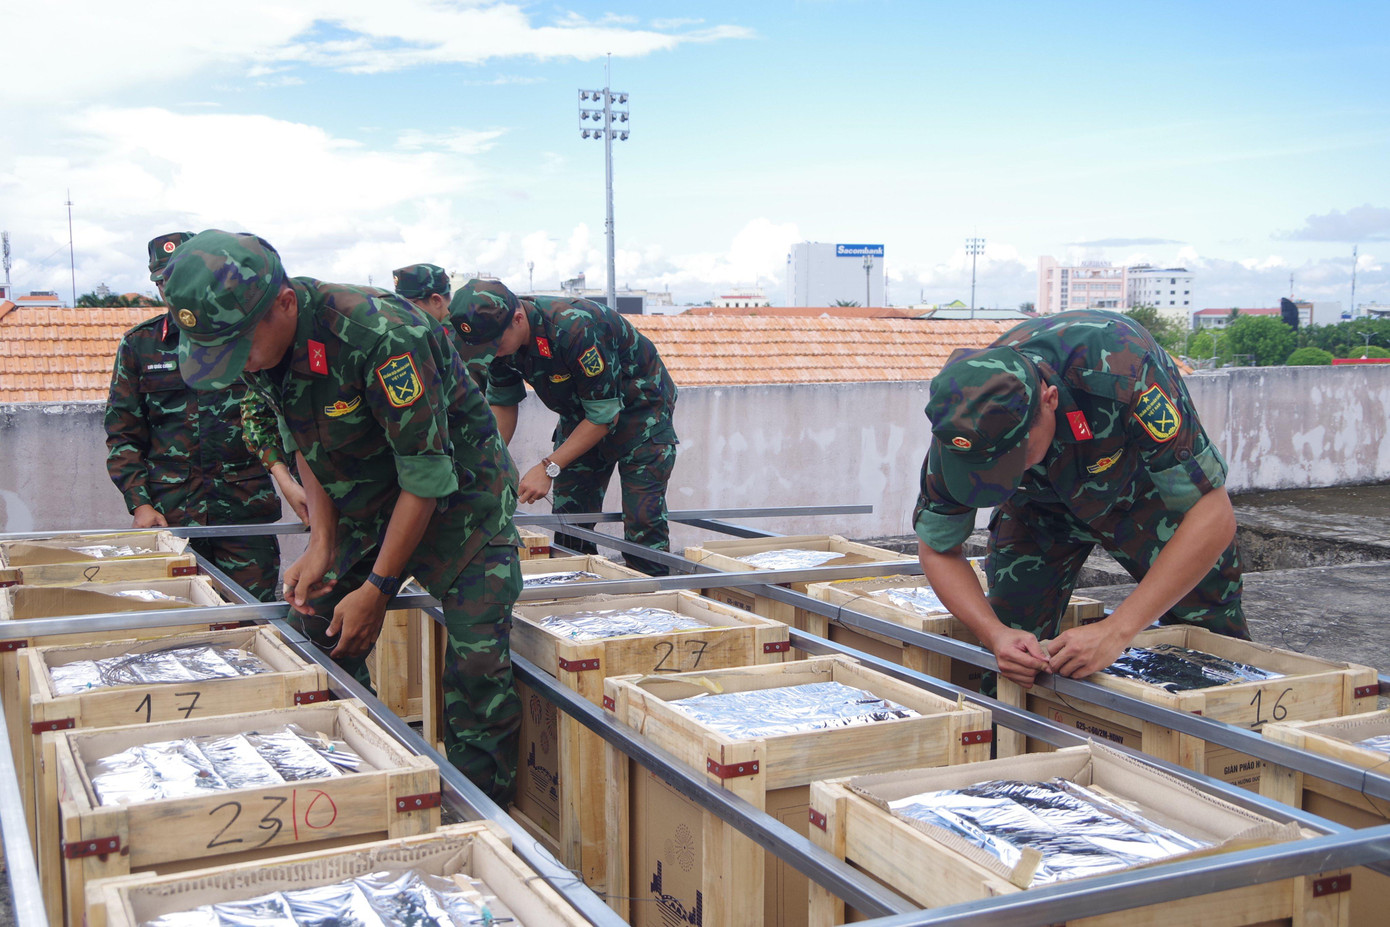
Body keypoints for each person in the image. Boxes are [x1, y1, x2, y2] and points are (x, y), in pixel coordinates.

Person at [161, 230, 523, 803]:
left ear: (283, 304)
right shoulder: (260, 341)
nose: (239, 364)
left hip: (462, 507)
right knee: (316, 621)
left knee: (477, 672)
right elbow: (308, 444)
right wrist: (323, 545)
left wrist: (378, 590)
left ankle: (480, 815)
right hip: (370, 501)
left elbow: (426, 477)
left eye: (238, 347)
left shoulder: (380, 334)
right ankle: (363, 785)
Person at [913, 309, 1247, 690]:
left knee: (1212, 650)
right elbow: (938, 547)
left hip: (1142, 495)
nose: (1008, 471)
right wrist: (994, 634)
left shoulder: (1124, 369)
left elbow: (1213, 514)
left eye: (1014, 460)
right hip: (1037, 509)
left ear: (1049, 400)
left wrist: (1117, 630)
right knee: (1016, 659)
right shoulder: (963, 425)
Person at [104, 232, 292, 602]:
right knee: (179, 622)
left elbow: (282, 418)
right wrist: (139, 503)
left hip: (244, 510)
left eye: (175, 277)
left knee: (253, 617)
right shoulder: (140, 345)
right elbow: (123, 433)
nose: (169, 289)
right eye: (162, 281)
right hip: (171, 515)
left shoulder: (242, 333)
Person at [450, 280, 678, 575]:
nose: (490, 353)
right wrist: (489, 462)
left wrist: (547, 467)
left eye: (494, 345)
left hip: (642, 414)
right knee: (570, 519)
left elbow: (604, 417)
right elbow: (504, 403)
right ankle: (582, 600)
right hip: (581, 414)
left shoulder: (573, 328)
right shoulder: (494, 338)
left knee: (643, 520)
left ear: (518, 319)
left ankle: (651, 600)